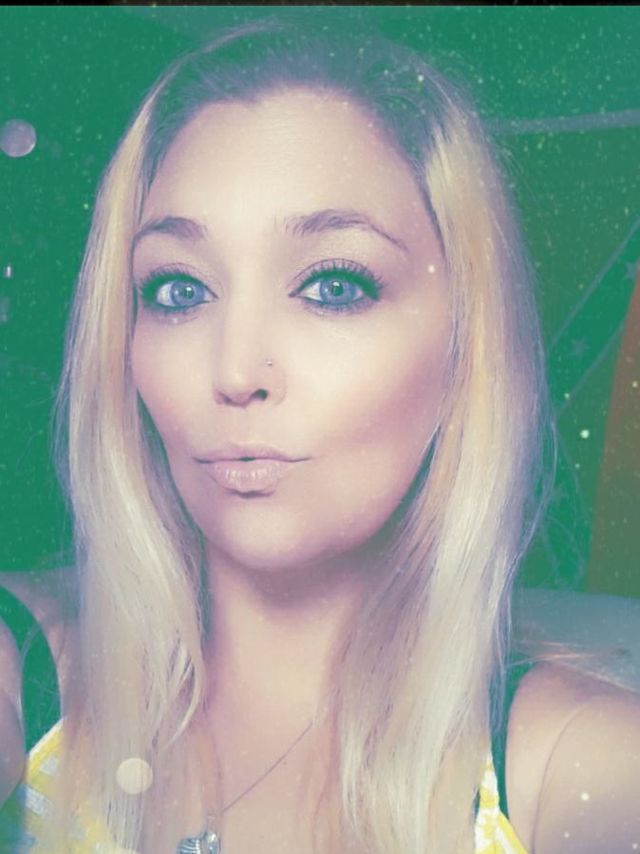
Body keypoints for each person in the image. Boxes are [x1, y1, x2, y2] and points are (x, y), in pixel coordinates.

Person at [1, 15, 639, 854]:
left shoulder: (580, 765)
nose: (236, 370)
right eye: (179, 290)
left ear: (466, 346)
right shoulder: (26, 671)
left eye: (334, 286)